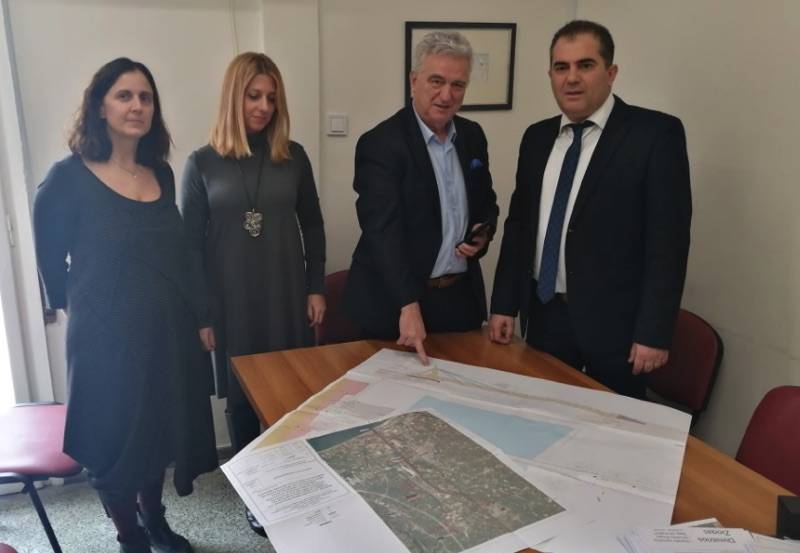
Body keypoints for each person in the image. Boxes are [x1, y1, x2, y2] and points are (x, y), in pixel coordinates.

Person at [33, 58, 217, 553]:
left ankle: (153, 520)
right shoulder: (67, 177)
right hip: (104, 339)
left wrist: (198, 314)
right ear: (100, 106)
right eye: (124, 95)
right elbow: (48, 256)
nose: (137, 106)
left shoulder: (161, 172)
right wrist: (76, 308)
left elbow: (177, 252)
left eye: (145, 97)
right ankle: (129, 535)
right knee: (114, 441)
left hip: (163, 330)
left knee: (155, 433)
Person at [489, 20, 692, 399]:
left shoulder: (654, 135)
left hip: (617, 329)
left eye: (585, 65)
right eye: (561, 67)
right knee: (542, 415)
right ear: (550, 75)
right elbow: (519, 227)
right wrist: (503, 304)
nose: (571, 78)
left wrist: (654, 332)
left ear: (610, 72)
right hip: (546, 316)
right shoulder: (536, 137)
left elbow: (669, 243)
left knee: (613, 426)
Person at [180, 52, 325, 460]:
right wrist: (201, 315)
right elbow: (189, 247)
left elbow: (313, 225)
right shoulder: (202, 163)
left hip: (286, 294)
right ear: (233, 98)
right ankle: (250, 479)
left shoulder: (293, 157)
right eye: (253, 96)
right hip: (230, 302)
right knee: (241, 396)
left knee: (292, 388)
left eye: (271, 98)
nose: (264, 107)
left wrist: (316, 287)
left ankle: (293, 472)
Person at [343, 31, 498, 364]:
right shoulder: (381, 144)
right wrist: (407, 303)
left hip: (459, 301)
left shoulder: (472, 135)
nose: (446, 95)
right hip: (395, 305)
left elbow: (487, 202)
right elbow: (381, 230)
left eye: (458, 85)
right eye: (436, 81)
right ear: (414, 81)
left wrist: (484, 232)